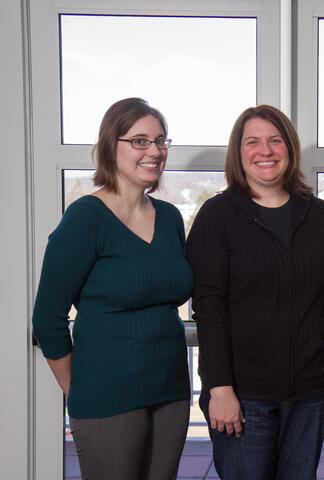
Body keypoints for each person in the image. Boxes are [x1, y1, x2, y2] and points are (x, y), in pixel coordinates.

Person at [32, 97, 194, 480]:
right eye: (139, 141)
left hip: (171, 392)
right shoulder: (86, 218)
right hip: (106, 397)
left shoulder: (170, 218)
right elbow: (47, 319)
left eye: (160, 141)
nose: (154, 151)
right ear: (110, 146)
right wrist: (79, 389)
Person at [186, 104, 324, 480]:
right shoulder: (217, 216)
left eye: (275, 140)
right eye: (252, 142)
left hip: (310, 393)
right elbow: (208, 307)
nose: (265, 151)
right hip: (242, 394)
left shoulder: (318, 215)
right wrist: (219, 387)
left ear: (290, 148)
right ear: (238, 153)